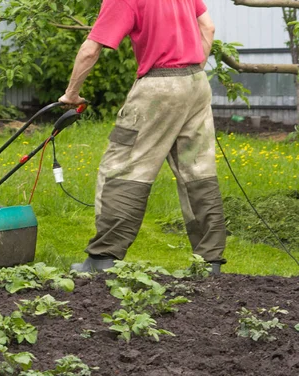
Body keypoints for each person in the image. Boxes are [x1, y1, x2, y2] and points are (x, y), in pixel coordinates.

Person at [59, 0, 226, 274]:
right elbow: (208, 27)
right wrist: (190, 72)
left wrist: (71, 94)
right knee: (198, 171)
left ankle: (103, 257)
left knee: (123, 167)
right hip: (196, 82)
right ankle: (211, 261)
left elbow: (91, 50)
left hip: (158, 86)